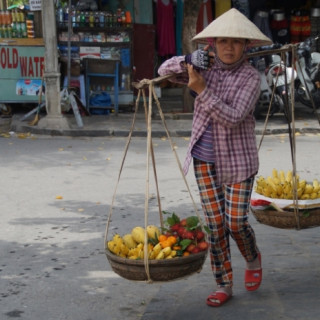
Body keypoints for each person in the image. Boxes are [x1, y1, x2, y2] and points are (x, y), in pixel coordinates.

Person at [158, 8, 272, 307]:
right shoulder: (203, 65)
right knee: (215, 224)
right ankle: (223, 282)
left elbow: (233, 118)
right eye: (223, 41)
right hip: (204, 160)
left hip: (239, 162)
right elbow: (163, 71)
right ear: (212, 44)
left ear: (245, 45)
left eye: (236, 42)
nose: (229, 48)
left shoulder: (250, 77)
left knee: (235, 223)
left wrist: (201, 90)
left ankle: (251, 255)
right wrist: (187, 60)